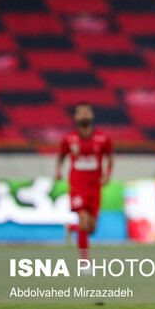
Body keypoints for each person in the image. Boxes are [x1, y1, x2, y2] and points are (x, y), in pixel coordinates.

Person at [56, 103, 113, 260]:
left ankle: (71, 228)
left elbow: (109, 157)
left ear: (92, 115)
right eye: (80, 113)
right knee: (84, 220)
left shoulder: (103, 138)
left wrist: (107, 174)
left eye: (86, 112)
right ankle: (85, 261)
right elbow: (61, 156)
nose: (84, 115)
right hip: (77, 184)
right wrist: (58, 171)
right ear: (75, 118)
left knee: (91, 228)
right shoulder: (69, 139)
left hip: (95, 185)